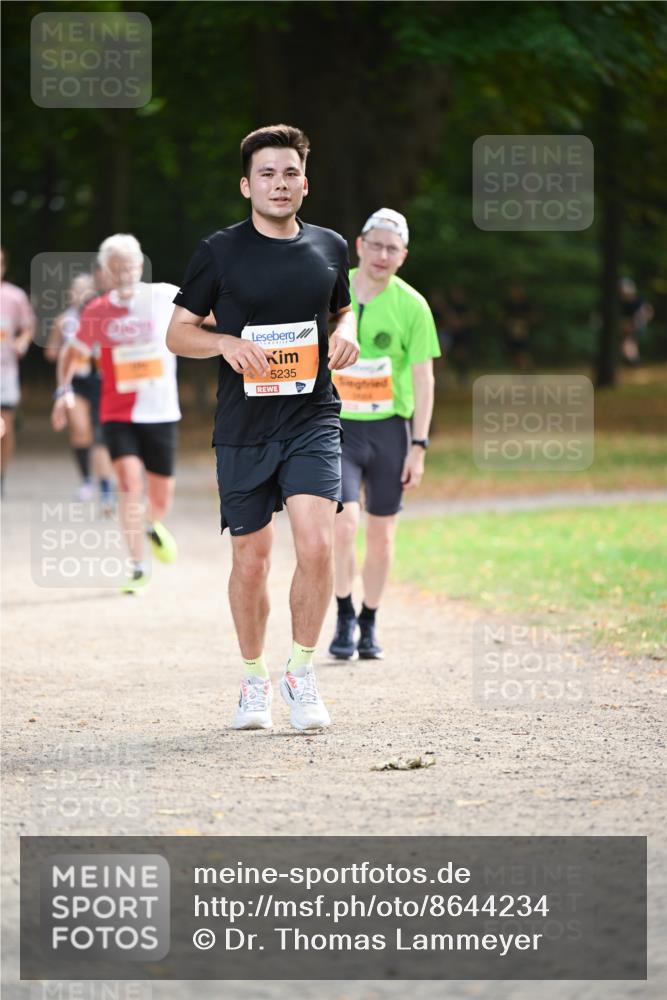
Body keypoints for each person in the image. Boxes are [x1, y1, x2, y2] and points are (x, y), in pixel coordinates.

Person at [166, 124, 358, 732]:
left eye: (290, 172)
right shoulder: (219, 252)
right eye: (267, 174)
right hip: (244, 426)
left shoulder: (329, 246)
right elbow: (177, 333)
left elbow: (341, 307)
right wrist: (224, 342)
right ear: (247, 185)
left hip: (312, 416)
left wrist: (347, 330)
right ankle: (255, 680)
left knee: (319, 543)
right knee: (251, 560)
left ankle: (302, 674)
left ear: (307, 181)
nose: (280, 183)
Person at [328, 208, 440, 661]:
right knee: (343, 524)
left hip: (390, 431)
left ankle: (370, 619)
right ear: (359, 245)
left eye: (392, 249)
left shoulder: (412, 306)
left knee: (382, 535)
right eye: (375, 245)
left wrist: (419, 446)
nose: (382, 255)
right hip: (336, 428)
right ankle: (343, 613)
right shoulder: (333, 289)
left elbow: (425, 379)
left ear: (403, 256)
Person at [51, 234, 181, 594]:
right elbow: (70, 354)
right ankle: (138, 567)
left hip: (161, 411)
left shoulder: (165, 296)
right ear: (106, 271)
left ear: (141, 265)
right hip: (117, 410)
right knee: (127, 482)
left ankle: (152, 524)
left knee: (160, 496)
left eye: (131, 265)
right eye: (117, 267)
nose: (125, 272)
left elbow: (210, 315)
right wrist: (62, 392)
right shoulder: (97, 310)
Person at [44, 272, 115, 508]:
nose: (81, 293)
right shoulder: (64, 320)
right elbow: (51, 353)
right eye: (77, 289)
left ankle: (106, 487)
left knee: (101, 435)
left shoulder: (104, 317)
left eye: (86, 289)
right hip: (75, 381)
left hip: (102, 380)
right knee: (81, 431)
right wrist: (69, 351)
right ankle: (86, 480)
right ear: (70, 294)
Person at [0, 247, 36, 494]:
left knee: (5, 426)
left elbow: (28, 327)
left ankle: (1, 476)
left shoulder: (14, 296)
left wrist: (23, 340)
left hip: (5, 371)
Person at [619, 277, 654, 366]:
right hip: (629, 325)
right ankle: (634, 360)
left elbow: (649, 312)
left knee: (628, 342)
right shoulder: (623, 303)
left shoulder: (638, 301)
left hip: (637, 325)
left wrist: (636, 322)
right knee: (629, 343)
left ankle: (634, 361)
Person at [502, 281, 534, 370]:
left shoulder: (526, 303)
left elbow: (533, 316)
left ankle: (527, 370)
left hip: (523, 331)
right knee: (514, 353)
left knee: (523, 352)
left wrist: (524, 325)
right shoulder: (508, 303)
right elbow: (504, 318)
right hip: (511, 331)